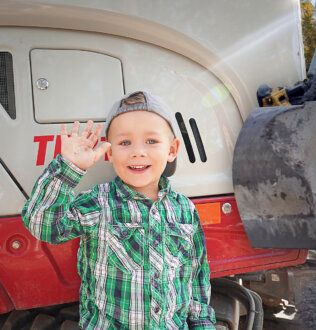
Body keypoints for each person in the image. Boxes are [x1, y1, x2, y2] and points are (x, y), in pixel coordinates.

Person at [22, 91, 216, 329]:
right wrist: (69, 168)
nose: (138, 151)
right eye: (125, 143)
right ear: (110, 154)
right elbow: (43, 225)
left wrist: (203, 324)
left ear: (172, 150)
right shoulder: (98, 203)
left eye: (151, 141)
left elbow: (196, 276)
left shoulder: (185, 209)